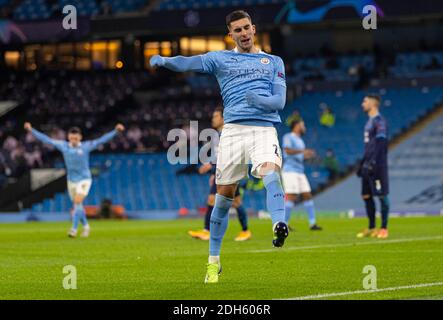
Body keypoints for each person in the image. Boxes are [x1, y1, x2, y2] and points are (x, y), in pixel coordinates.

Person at [150, 10, 288, 284]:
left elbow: (279, 102)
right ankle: (213, 262)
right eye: (237, 30)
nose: (244, 33)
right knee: (223, 198)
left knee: (271, 171)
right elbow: (187, 63)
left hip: (263, 129)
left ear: (254, 28)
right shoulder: (220, 58)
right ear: (231, 34)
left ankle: (278, 223)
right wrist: (164, 60)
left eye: (247, 27)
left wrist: (258, 101)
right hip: (233, 132)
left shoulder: (273, 61)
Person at [24, 122, 125, 238]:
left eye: (76, 138)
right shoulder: (63, 146)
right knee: (78, 206)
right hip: (71, 180)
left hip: (84, 179)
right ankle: (86, 226)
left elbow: (101, 140)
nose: (74, 140)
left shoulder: (86, 146)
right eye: (71, 138)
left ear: (80, 137)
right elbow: (47, 140)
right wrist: (31, 130)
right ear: (68, 137)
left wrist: (116, 131)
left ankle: (74, 229)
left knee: (77, 201)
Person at [188, 107, 252, 242]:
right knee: (212, 199)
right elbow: (219, 156)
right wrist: (213, 170)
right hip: (221, 172)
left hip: (231, 171)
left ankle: (245, 231)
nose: (213, 119)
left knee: (236, 202)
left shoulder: (228, 134)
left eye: (215, 116)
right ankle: (207, 231)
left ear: (223, 118)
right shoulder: (218, 134)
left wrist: (210, 166)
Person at [356, 94, 390, 239]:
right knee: (366, 195)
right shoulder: (369, 122)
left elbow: (381, 143)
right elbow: (369, 147)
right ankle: (371, 227)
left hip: (377, 165)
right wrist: (362, 163)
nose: (362, 103)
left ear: (373, 104)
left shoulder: (379, 121)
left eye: (365, 101)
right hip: (367, 164)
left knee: (382, 195)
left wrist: (374, 162)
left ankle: (384, 228)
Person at [281, 119, 322, 231]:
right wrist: (302, 152)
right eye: (303, 125)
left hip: (299, 171)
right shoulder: (288, 136)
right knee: (291, 196)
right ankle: (284, 224)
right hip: (290, 171)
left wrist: (307, 155)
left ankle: (312, 224)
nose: (304, 127)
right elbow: (287, 150)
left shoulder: (300, 140)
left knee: (307, 195)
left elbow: (299, 155)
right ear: (297, 125)